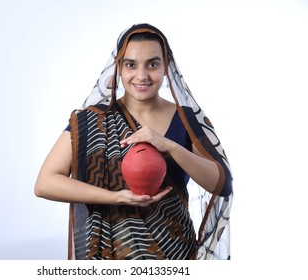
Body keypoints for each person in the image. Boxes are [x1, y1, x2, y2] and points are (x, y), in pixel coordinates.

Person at [34, 23, 233, 260]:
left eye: (153, 64)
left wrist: (168, 145)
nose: (142, 75)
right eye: (131, 65)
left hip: (175, 253)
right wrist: (116, 197)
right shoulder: (91, 120)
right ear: (118, 67)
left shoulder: (186, 119)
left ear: (166, 66)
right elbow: (45, 183)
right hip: (110, 256)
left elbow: (222, 185)